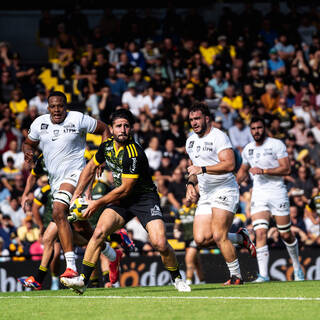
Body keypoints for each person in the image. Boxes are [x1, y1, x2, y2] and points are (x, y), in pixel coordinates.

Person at [60, 108, 191, 293]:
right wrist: (77, 194)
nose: (123, 130)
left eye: (126, 126)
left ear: (132, 129)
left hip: (144, 198)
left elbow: (125, 188)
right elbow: (90, 168)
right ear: (111, 129)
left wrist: (96, 203)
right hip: (122, 200)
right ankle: (82, 280)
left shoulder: (134, 152)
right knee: (98, 233)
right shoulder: (106, 147)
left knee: (160, 242)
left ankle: (177, 278)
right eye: (118, 126)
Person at [21, 91, 110, 280]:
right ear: (48, 107)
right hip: (55, 181)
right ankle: (111, 253)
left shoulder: (77, 119)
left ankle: (71, 267)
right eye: (53, 106)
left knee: (58, 212)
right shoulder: (39, 123)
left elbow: (105, 130)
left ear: (66, 106)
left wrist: (102, 157)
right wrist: (28, 153)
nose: (56, 110)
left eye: (60, 106)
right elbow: (28, 143)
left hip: (76, 175)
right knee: (81, 229)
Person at [185, 102, 255, 285]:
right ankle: (241, 238)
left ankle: (236, 277)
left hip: (225, 189)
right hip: (206, 193)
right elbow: (193, 170)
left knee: (218, 235)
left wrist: (204, 169)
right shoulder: (190, 141)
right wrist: (190, 185)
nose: (194, 122)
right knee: (200, 240)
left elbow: (230, 165)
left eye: (197, 118)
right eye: (191, 119)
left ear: (207, 119)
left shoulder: (219, 137)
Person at [236, 116, 305, 282]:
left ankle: (297, 268)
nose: (256, 131)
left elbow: (286, 168)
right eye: (253, 129)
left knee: (285, 234)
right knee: (260, 232)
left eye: (259, 128)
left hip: (277, 192)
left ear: (264, 128)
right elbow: (244, 170)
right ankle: (264, 275)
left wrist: (264, 171)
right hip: (259, 194)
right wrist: (233, 183)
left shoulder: (276, 144)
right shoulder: (248, 149)